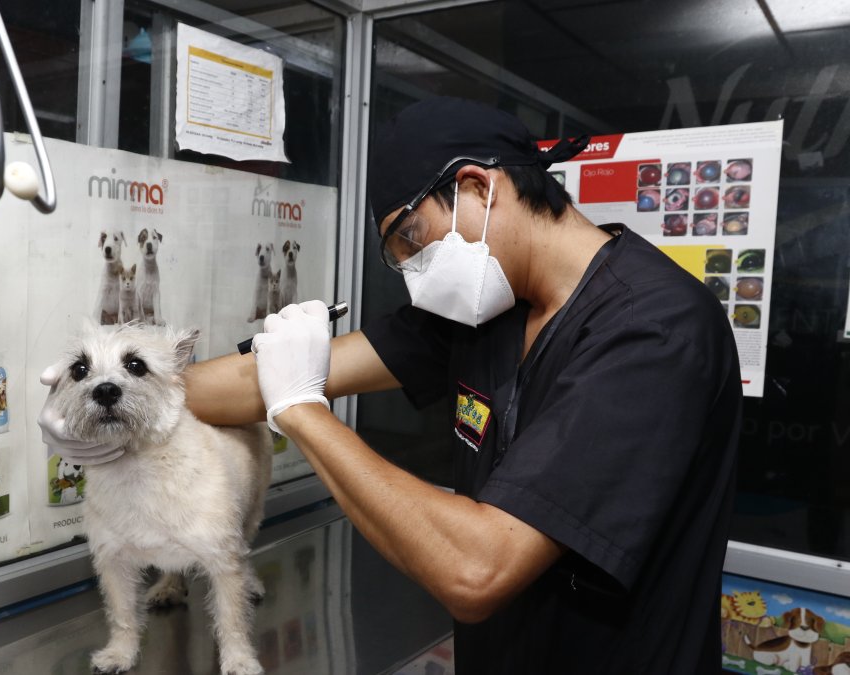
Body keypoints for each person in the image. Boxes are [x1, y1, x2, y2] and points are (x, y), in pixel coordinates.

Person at [42, 97, 742, 674]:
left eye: (413, 236)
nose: (411, 266)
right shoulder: (482, 312)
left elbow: (477, 568)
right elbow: (245, 387)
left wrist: (304, 413)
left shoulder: (654, 331)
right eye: (397, 250)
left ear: (477, 187)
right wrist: (115, 395)